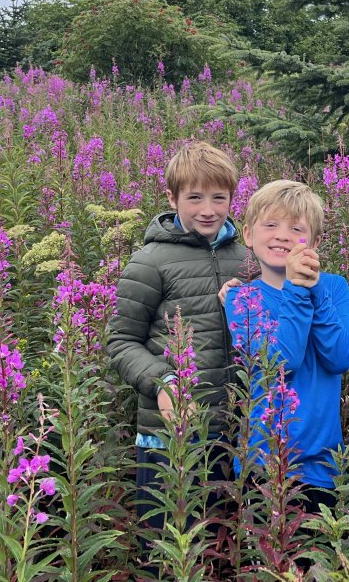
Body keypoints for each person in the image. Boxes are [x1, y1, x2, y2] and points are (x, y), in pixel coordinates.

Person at [104, 140, 249, 550]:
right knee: (166, 543)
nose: (208, 209)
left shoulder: (246, 257)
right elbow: (120, 340)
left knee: (222, 542)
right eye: (195, 197)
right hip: (168, 431)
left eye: (219, 197)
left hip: (231, 428)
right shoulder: (150, 261)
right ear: (172, 198)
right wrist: (163, 381)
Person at [225, 179, 349, 514]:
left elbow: (341, 357)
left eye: (296, 228)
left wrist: (313, 290)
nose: (282, 235)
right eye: (270, 224)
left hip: (321, 468)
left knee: (319, 563)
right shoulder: (242, 299)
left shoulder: (334, 288)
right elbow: (282, 362)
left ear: (315, 241)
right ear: (248, 235)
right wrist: (297, 290)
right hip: (262, 464)